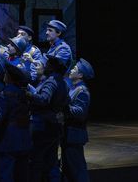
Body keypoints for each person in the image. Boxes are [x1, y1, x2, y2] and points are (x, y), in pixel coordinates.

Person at [26, 54, 70, 182]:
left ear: (52, 67)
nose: (45, 65)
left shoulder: (51, 81)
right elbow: (67, 100)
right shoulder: (62, 82)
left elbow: (44, 99)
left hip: (43, 126)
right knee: (51, 161)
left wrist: (28, 94)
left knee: (37, 160)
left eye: (48, 64)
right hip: (54, 125)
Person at [61, 58, 94, 182]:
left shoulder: (82, 91)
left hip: (74, 134)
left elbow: (80, 112)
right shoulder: (73, 88)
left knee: (77, 169)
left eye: (74, 69)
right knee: (69, 169)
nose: (71, 70)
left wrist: (64, 106)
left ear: (80, 75)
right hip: (68, 134)